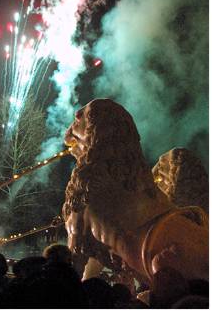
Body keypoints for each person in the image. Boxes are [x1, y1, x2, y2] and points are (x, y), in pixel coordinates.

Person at [62, 98, 209, 284]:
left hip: (162, 260)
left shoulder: (89, 192)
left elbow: (77, 252)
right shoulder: (140, 188)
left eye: (77, 121)